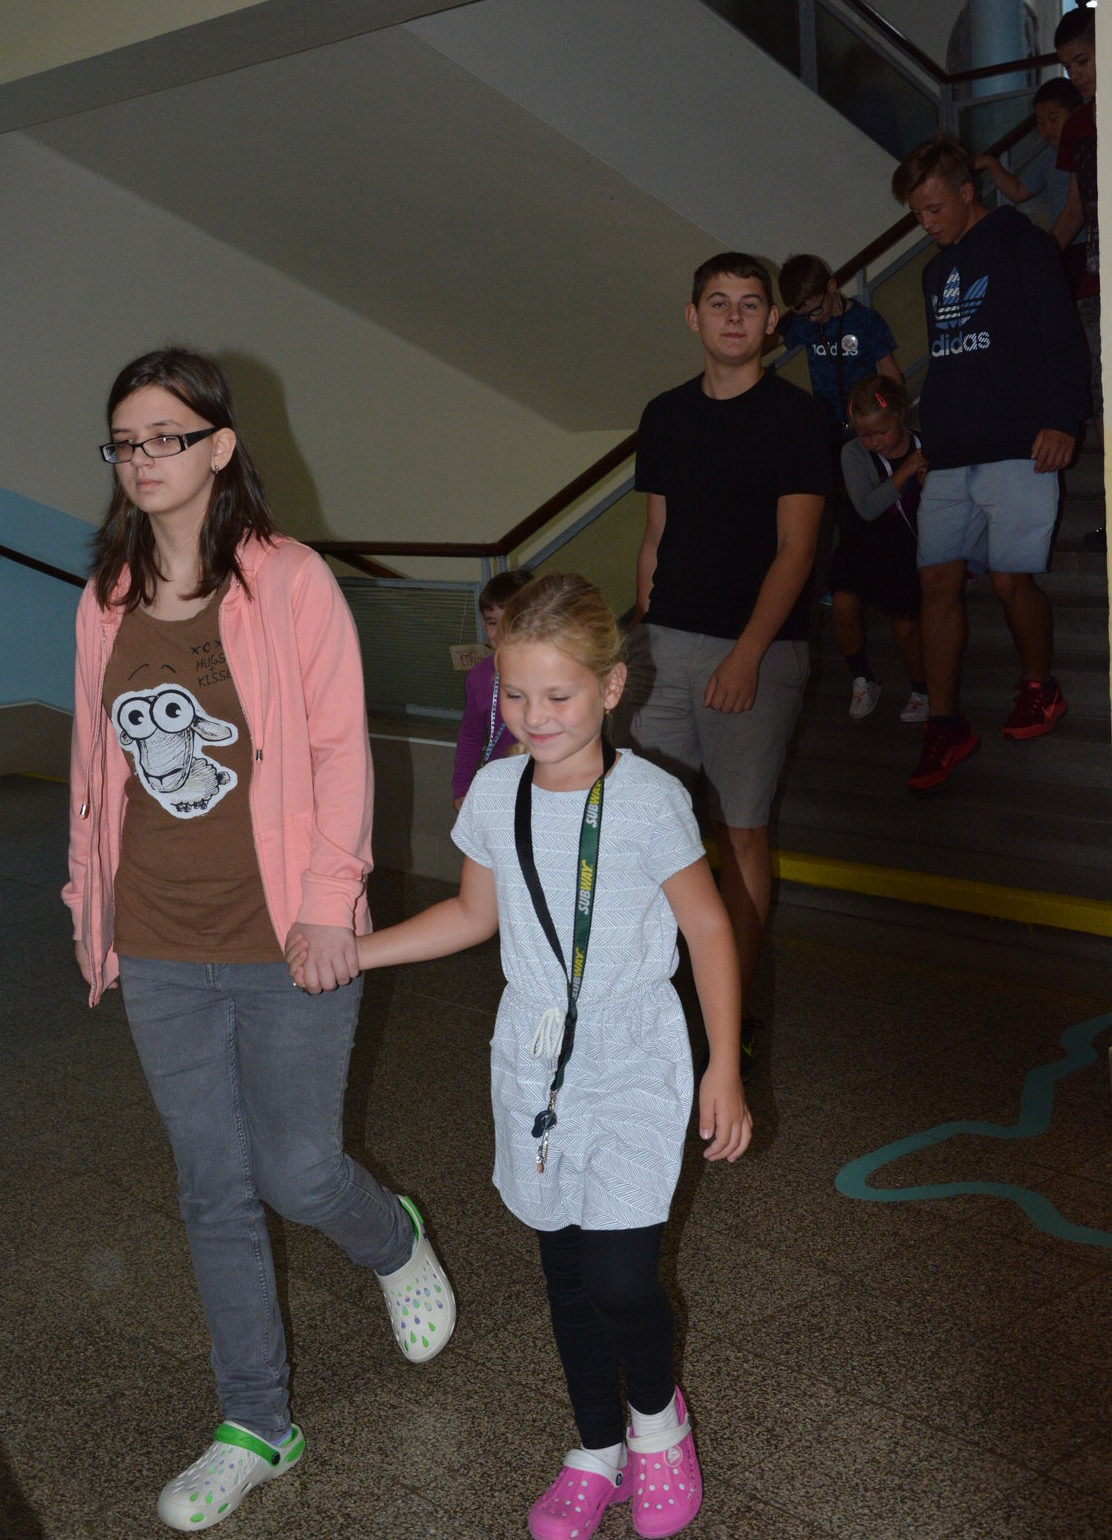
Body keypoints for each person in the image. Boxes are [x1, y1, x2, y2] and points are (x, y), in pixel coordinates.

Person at [64, 348, 455, 1533]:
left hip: (287, 932)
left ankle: (392, 1240)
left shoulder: (288, 580)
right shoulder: (106, 595)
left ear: (220, 447)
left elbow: (339, 747)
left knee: (297, 1169)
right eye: (126, 441)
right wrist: (89, 902)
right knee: (213, 1186)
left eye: (167, 437)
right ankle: (257, 1423)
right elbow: (95, 763)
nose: (144, 459)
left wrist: (331, 902)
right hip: (160, 936)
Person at [291, 573, 752, 1540]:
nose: (535, 717)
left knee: (622, 1278)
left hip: (633, 1056)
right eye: (515, 695)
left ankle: (658, 1423)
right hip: (535, 1063)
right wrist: (356, 950)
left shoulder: (651, 801)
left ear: (611, 688)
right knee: (567, 1277)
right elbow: (473, 913)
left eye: (559, 695)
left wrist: (724, 1067)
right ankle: (595, 1448)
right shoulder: (498, 793)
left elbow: (709, 929)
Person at [626, 253, 830, 1078]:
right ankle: (646, 997)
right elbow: (655, 537)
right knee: (645, 827)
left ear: (773, 322)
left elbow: (797, 549)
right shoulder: (665, 414)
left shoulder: (797, 418)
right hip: (665, 647)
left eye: (751, 304)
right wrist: (642, 638)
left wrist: (747, 653)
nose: (735, 317)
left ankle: (732, 1014)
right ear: (694, 317)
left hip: (760, 651)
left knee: (740, 831)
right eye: (719, 303)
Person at [890, 137, 1090, 792]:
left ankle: (1040, 686)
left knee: (1009, 581)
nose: (928, 223)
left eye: (935, 208)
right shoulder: (933, 273)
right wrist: (930, 443)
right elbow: (950, 364)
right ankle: (945, 724)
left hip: (1018, 446)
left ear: (967, 191)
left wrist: (1064, 418)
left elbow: (1063, 334)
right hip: (951, 455)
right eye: (918, 214)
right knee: (937, 583)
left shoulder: (1021, 243)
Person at [829, 375, 929, 723]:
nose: (873, 442)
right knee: (843, 605)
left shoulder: (925, 445)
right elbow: (868, 507)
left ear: (901, 415)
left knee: (906, 628)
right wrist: (906, 472)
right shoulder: (853, 453)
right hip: (865, 545)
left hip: (908, 549)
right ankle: (862, 680)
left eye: (882, 432)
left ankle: (922, 689)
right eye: (864, 434)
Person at [1051, 0, 1104, 548]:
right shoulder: (1078, 125)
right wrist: (1037, 262)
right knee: (1102, 398)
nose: (1076, 75)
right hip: (1094, 276)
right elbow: (1073, 211)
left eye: (1082, 61)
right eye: (1068, 66)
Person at [777, 254, 905, 454]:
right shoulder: (805, 324)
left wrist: (895, 416)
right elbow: (765, 339)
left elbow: (891, 373)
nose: (812, 319)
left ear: (831, 286)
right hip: (826, 426)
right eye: (804, 315)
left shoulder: (866, 320)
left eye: (816, 310)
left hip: (865, 422)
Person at [973, 78, 1087, 291]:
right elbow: (1018, 191)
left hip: (1085, 244)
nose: (1047, 128)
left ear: (1077, 114)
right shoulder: (1048, 156)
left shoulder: (1086, 150)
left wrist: (1048, 250)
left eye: (1053, 119)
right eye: (1040, 123)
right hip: (1062, 246)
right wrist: (991, 164)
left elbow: (1076, 210)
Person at [452, 567, 533, 809]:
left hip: (545, 785)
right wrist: (462, 789)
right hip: (499, 788)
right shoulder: (479, 678)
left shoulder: (551, 672)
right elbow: (470, 736)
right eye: (492, 622)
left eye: (512, 621)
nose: (501, 632)